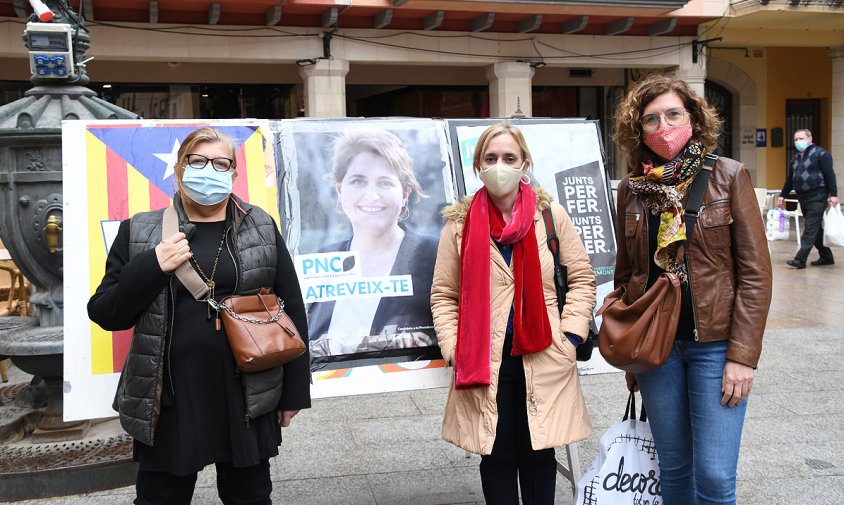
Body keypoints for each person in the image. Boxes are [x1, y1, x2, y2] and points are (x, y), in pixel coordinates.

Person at [88, 127, 310, 505]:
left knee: (250, 496)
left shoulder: (260, 225)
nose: (209, 169)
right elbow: (106, 312)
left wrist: (294, 392)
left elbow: (291, 308)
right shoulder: (141, 229)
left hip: (245, 391)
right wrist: (152, 265)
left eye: (220, 163)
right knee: (161, 497)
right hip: (169, 395)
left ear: (233, 173)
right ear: (180, 169)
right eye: (198, 161)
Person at [612, 75, 773, 505]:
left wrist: (743, 357)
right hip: (657, 351)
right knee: (674, 468)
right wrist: (632, 350)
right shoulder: (631, 190)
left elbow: (756, 274)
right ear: (638, 129)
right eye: (651, 119)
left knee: (716, 477)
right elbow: (628, 275)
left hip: (716, 348)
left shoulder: (729, 176)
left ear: (694, 119)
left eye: (673, 114)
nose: (663, 127)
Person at [430, 122, 595, 504]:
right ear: (478, 165)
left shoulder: (550, 216)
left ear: (524, 163)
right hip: (484, 359)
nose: (499, 165)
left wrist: (569, 336)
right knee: (497, 454)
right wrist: (456, 350)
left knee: (540, 453)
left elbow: (583, 278)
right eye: (491, 158)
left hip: (545, 352)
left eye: (509, 157)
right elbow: (443, 295)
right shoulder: (459, 226)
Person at [307, 130, 439, 359]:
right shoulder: (324, 261)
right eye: (358, 181)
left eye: (384, 182)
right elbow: (307, 342)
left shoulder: (432, 255)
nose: (371, 195)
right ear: (340, 190)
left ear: (405, 193)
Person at [777, 129, 839, 268]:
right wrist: (782, 195)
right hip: (803, 197)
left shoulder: (821, 154)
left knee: (810, 227)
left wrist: (833, 194)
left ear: (810, 139)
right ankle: (826, 256)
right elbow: (790, 180)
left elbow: (830, 175)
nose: (798, 141)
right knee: (815, 228)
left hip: (818, 195)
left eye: (801, 138)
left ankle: (800, 259)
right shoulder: (796, 158)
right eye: (796, 139)